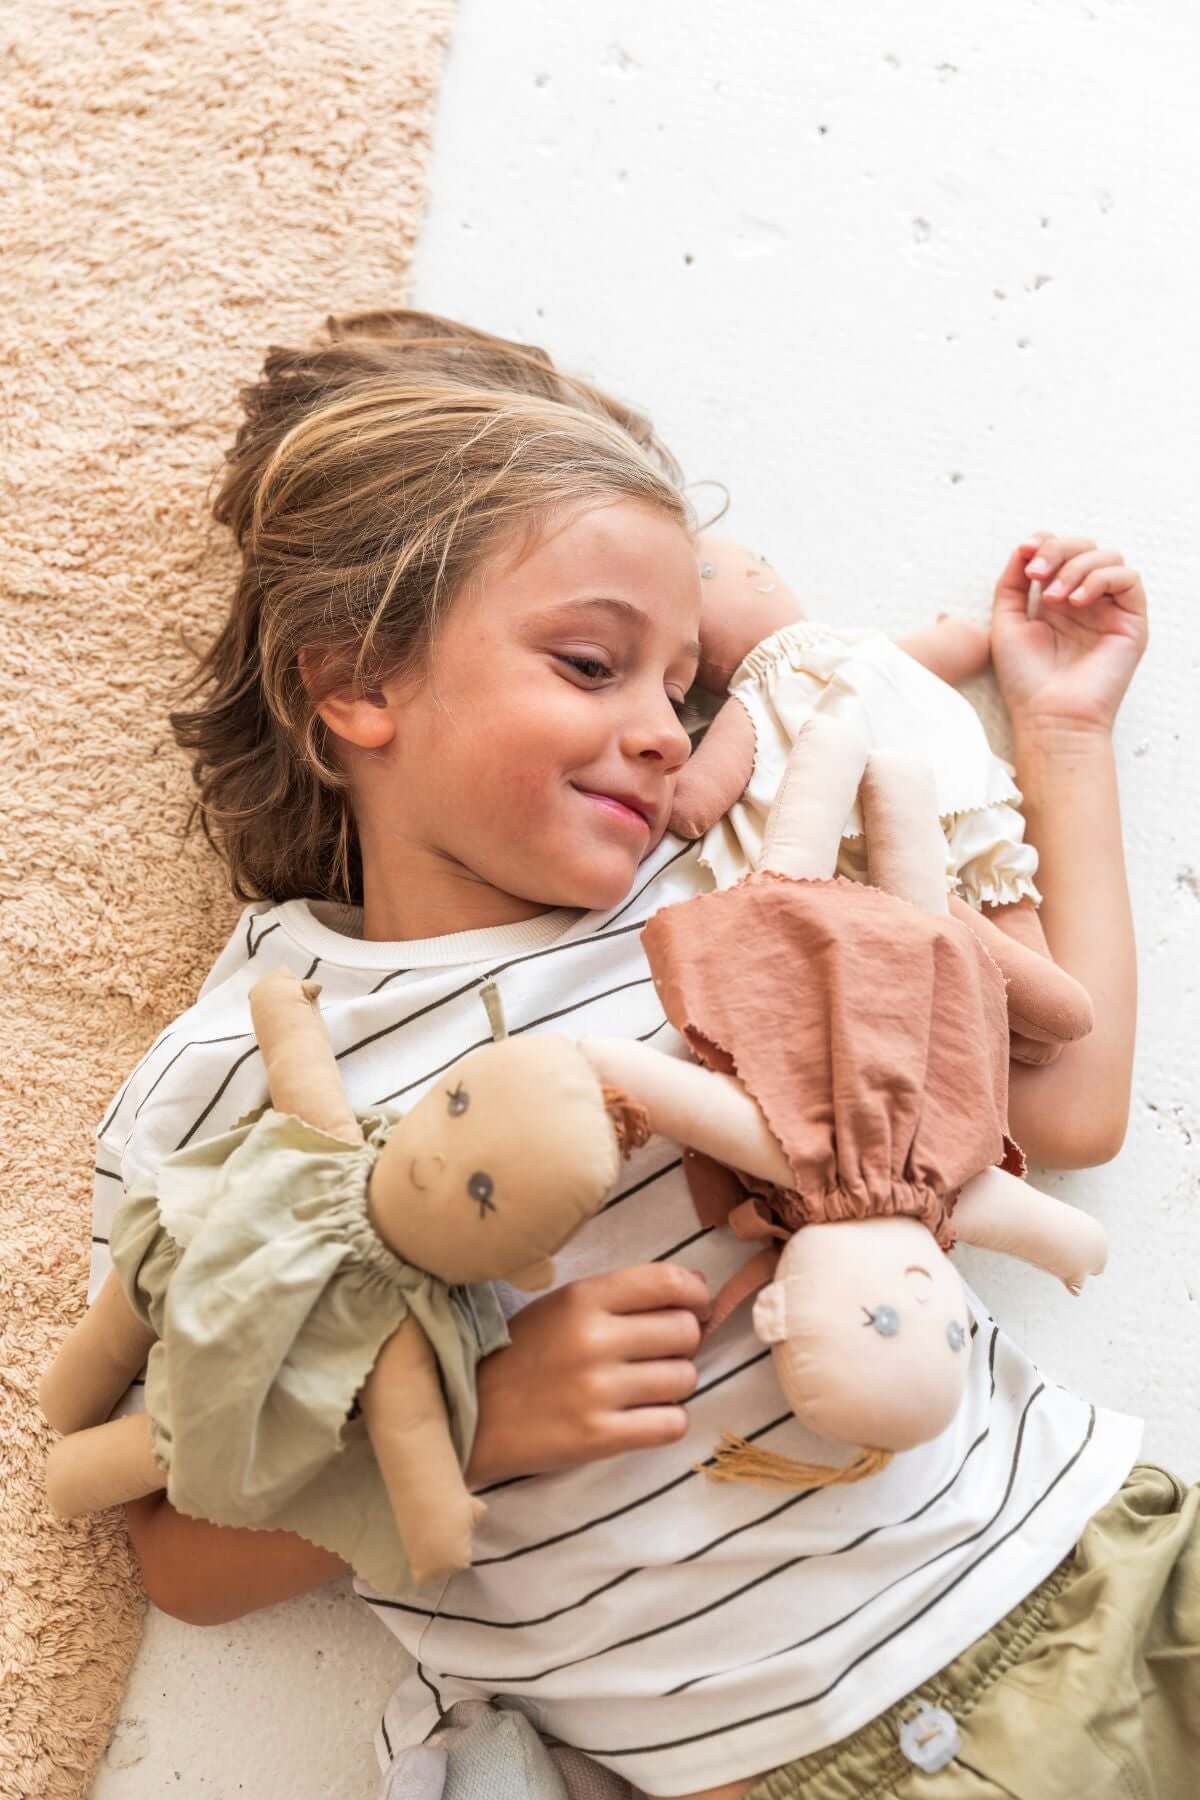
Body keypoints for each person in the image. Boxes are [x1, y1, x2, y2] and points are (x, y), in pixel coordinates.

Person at [91, 310, 1184, 1800]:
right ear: (355, 683)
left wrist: (1059, 735)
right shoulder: (239, 1073)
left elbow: (1069, 1101)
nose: (670, 732)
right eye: (593, 663)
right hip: (807, 1763)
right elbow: (176, 1552)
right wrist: (482, 1419)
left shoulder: (734, 889)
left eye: (681, 687)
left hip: (1103, 1560)